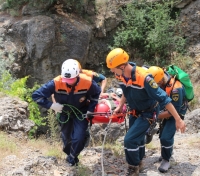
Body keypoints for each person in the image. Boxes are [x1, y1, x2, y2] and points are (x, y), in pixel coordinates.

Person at [106, 48, 186, 176]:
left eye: (112, 68)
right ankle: (140, 162)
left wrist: (178, 119)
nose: (111, 71)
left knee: (129, 140)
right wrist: (120, 106)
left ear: (121, 66)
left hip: (149, 112)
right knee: (137, 139)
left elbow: (164, 98)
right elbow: (126, 92)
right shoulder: (119, 75)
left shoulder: (144, 78)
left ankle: (133, 168)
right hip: (134, 110)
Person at [32, 59, 101, 166]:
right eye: (66, 80)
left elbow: (96, 94)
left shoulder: (87, 82)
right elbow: (36, 95)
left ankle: (72, 159)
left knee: (78, 137)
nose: (68, 82)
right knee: (66, 138)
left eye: (71, 80)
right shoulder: (56, 82)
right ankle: (71, 155)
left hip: (81, 112)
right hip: (64, 112)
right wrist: (52, 106)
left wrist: (90, 110)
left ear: (77, 75)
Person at [148, 66, 188, 173]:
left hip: (176, 114)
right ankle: (165, 152)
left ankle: (166, 160)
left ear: (161, 80)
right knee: (162, 134)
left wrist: (155, 116)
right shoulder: (161, 81)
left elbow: (173, 111)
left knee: (166, 137)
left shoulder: (176, 88)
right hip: (164, 110)